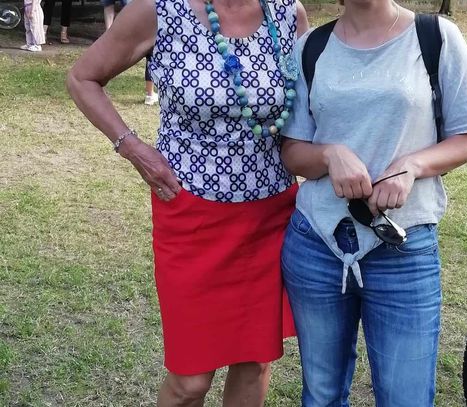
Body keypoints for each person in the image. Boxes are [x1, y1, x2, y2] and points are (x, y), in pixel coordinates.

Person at [66, 0, 309, 404]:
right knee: (189, 382)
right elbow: (82, 78)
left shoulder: (287, 12)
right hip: (191, 215)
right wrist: (133, 148)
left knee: (254, 362)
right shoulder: (159, 9)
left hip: (271, 217)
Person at [280, 0, 467, 405]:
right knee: (321, 395)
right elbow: (292, 151)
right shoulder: (311, 47)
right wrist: (329, 155)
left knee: (405, 397)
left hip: (403, 247)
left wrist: (412, 165)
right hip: (318, 245)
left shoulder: (435, 37)